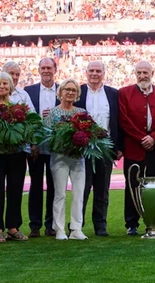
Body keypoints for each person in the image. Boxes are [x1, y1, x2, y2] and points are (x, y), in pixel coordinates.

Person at [118, 60, 155, 236]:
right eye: (139, 72)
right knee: (132, 186)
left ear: (152, 73)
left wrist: (154, 138)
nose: (142, 76)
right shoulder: (124, 93)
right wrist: (142, 138)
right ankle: (131, 223)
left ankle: (154, 221)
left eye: (145, 72)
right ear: (135, 74)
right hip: (135, 147)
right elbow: (124, 120)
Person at [0, 72, 32, 243]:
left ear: (11, 86)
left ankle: (13, 227)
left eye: (5, 83)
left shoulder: (19, 107)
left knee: (16, 190)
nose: (2, 87)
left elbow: (27, 129)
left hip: (16, 153)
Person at [74, 61, 121, 237]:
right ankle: (77, 225)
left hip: (105, 148)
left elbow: (118, 122)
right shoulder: (78, 92)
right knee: (82, 188)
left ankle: (100, 225)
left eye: (98, 71)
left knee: (102, 190)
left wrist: (118, 146)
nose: (95, 74)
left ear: (104, 73)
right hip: (82, 148)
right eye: (91, 70)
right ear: (86, 73)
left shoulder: (113, 94)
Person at [46, 79, 88, 240]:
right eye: (67, 89)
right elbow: (46, 137)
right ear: (60, 92)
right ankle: (59, 229)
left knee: (79, 193)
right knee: (60, 194)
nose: (70, 92)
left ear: (77, 94)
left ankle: (76, 228)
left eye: (73, 90)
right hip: (59, 157)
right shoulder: (53, 113)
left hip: (78, 158)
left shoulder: (82, 112)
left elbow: (89, 133)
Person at [23, 57, 60, 237]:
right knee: (36, 185)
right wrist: (32, 142)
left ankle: (51, 225)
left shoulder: (63, 90)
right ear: (38, 70)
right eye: (43, 68)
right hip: (35, 146)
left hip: (56, 147)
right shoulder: (28, 91)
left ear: (55, 69)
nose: (46, 71)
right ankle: (35, 226)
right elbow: (26, 120)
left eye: (49, 68)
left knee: (55, 186)